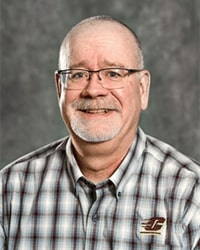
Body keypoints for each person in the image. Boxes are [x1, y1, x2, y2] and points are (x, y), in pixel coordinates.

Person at [0, 15, 199, 249]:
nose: (94, 90)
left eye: (113, 73)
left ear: (142, 88)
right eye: (78, 74)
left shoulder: (191, 195)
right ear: (59, 88)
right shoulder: (9, 190)